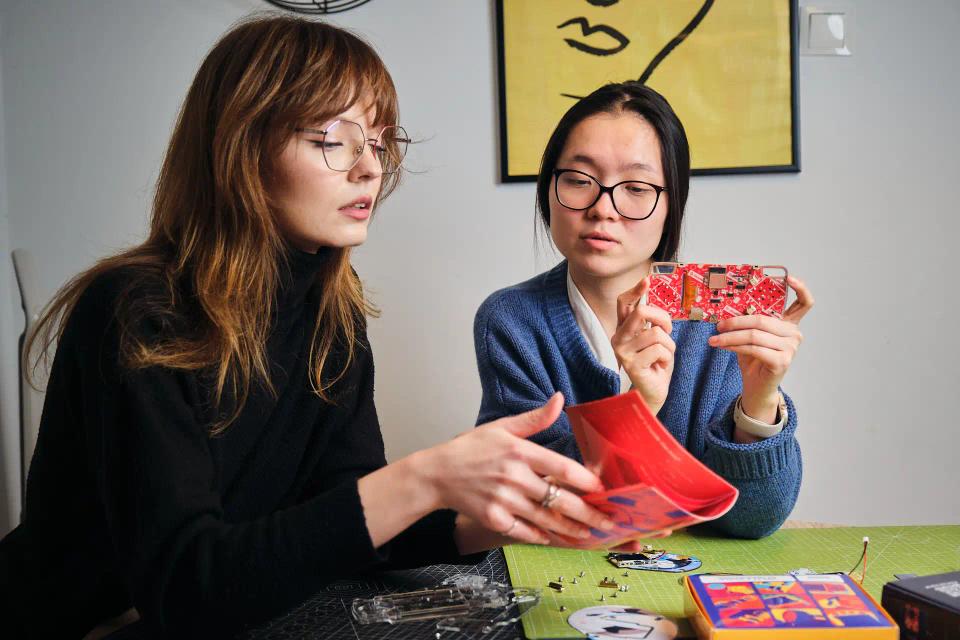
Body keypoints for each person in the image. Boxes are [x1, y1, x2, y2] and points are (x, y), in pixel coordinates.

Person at [0, 16, 614, 639]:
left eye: (377, 142)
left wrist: (481, 522)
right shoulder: (135, 309)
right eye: (334, 139)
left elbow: (342, 519)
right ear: (242, 146)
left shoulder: (332, 316)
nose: (370, 169)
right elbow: (187, 588)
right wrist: (427, 477)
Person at [474, 81, 814, 540]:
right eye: (578, 180)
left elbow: (751, 520)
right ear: (548, 190)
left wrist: (759, 400)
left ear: (672, 205)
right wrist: (637, 408)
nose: (603, 209)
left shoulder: (716, 324)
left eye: (635, 187)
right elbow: (521, 500)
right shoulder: (511, 320)